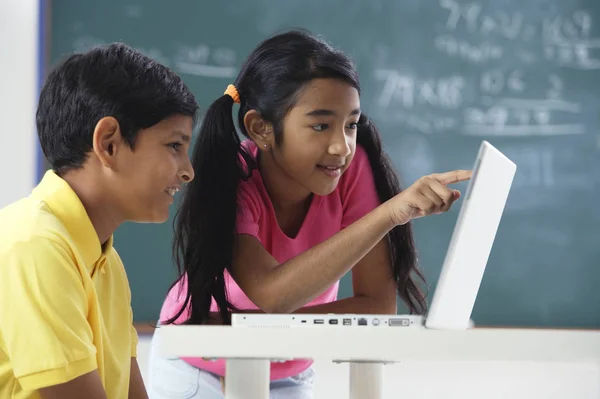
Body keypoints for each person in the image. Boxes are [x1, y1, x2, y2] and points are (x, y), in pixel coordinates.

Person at [148, 29, 470, 398]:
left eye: (351, 124)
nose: (342, 146)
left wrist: (252, 326)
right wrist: (389, 214)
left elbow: (377, 306)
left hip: (286, 370)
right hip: (197, 361)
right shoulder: (235, 176)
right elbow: (271, 294)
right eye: (320, 125)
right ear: (261, 129)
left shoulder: (354, 168)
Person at [0, 42, 197, 399]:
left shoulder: (106, 262)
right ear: (108, 144)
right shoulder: (36, 245)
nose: (188, 172)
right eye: (174, 146)